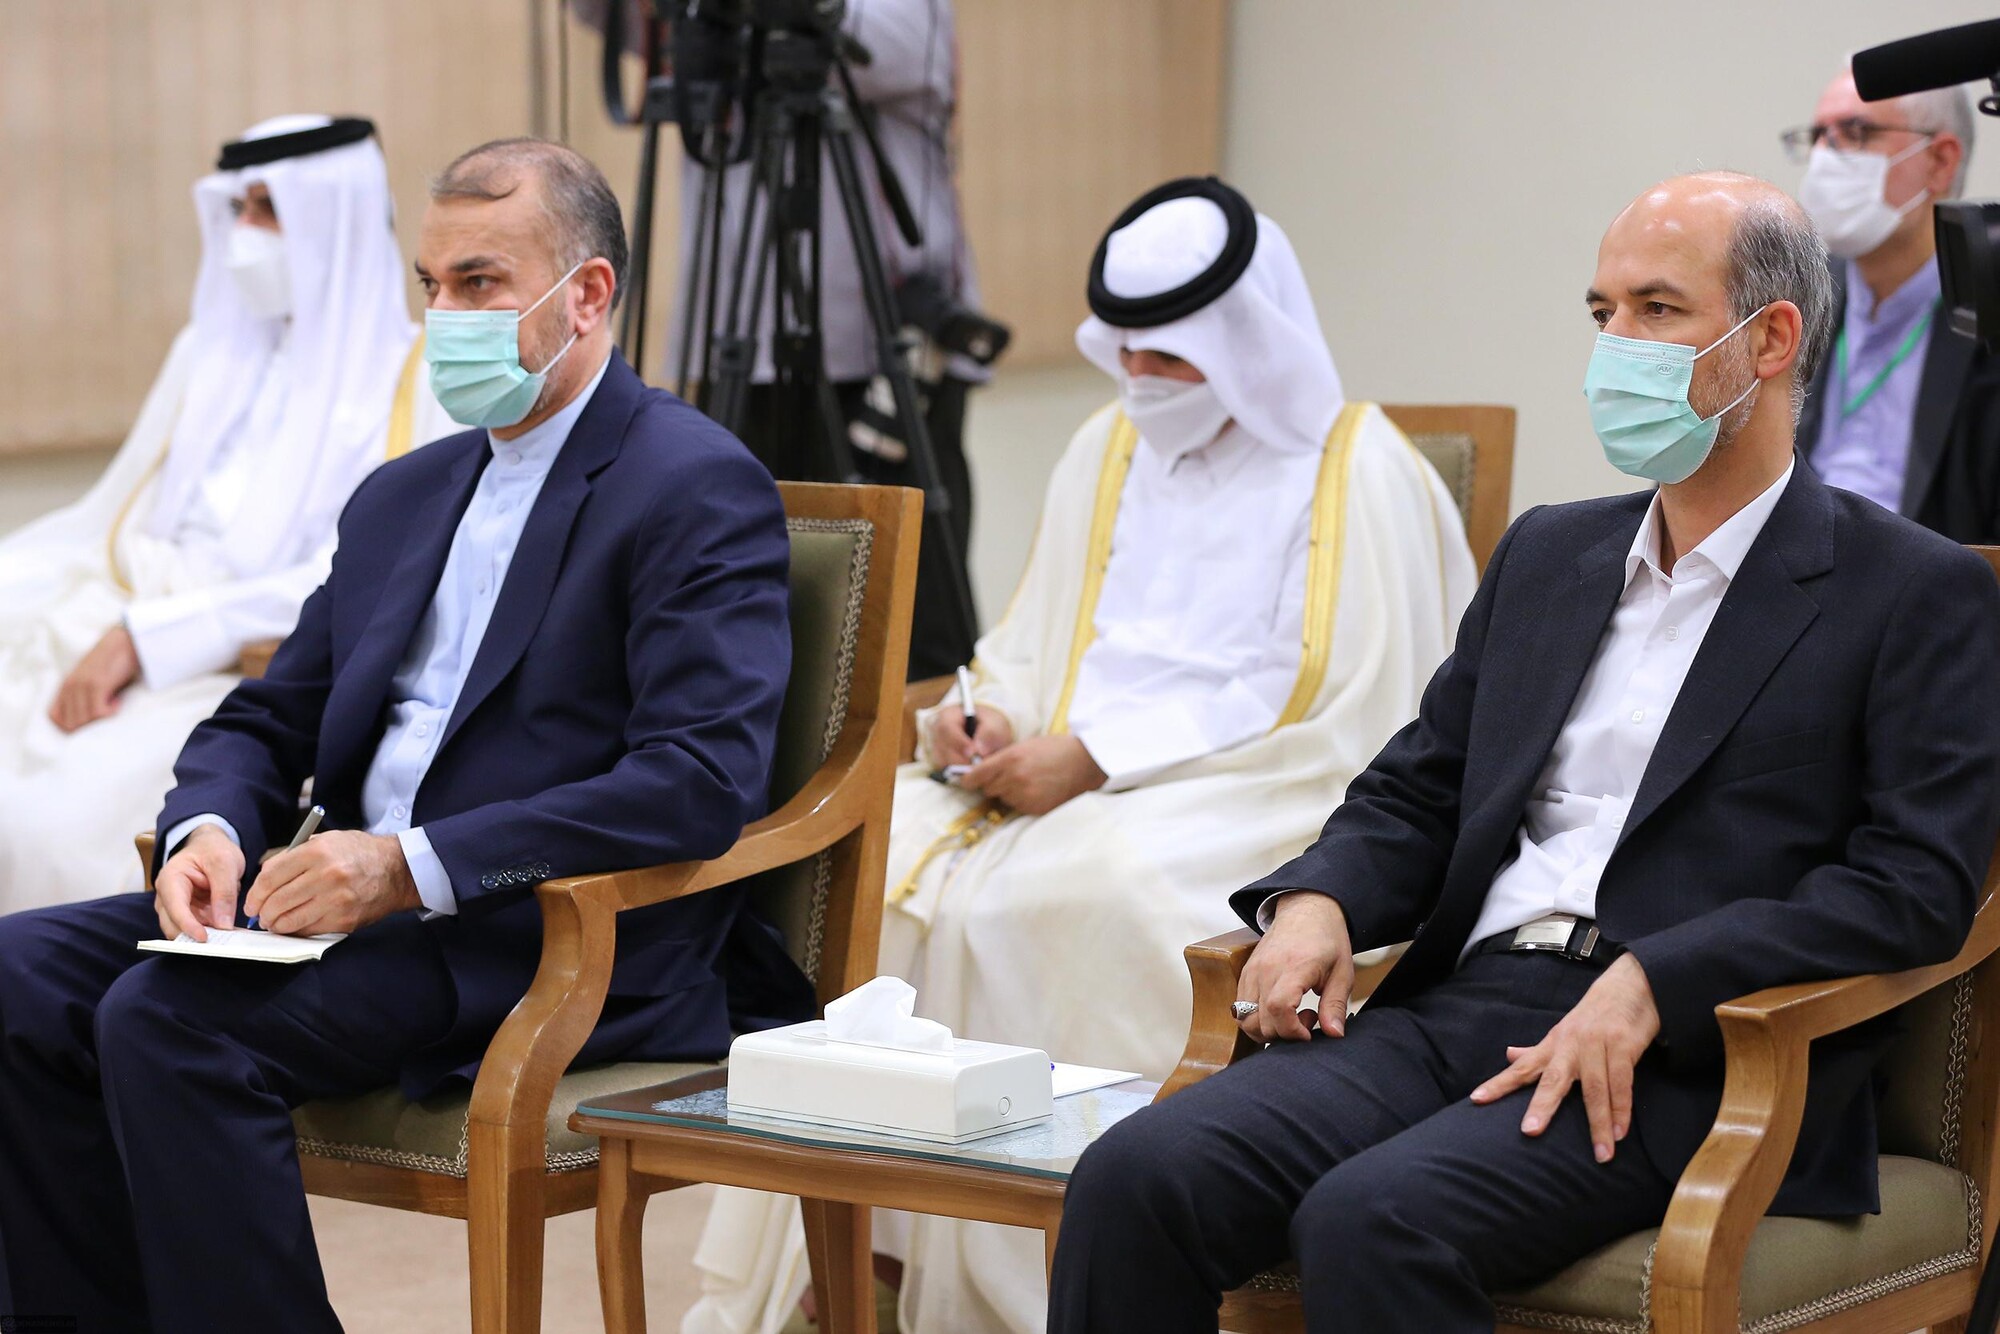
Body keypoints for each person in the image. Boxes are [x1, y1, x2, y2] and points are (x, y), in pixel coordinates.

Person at [1046, 172, 2000, 1334]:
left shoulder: (1908, 589)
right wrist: (1317, 900)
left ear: (1769, 340)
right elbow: (1421, 786)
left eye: (1656, 309)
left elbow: (1912, 885)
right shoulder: (1549, 554)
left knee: (1374, 1218)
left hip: (1692, 1054)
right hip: (1459, 1001)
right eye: (1602, 312)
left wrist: (1660, 977)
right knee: (1132, 1175)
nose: (1614, 346)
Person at [0, 137, 815, 1334]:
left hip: (535, 928)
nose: (446, 318)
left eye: (481, 283)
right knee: (17, 975)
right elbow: (266, 715)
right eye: (431, 285)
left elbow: (696, 781)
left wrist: (404, 865)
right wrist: (208, 830)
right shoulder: (403, 493)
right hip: (334, 911)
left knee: (166, 1022)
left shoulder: (692, 483)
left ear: (587, 294)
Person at [683, 177, 1477, 1334]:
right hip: (1065, 775)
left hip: (1259, 784)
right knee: (878, 864)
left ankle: (1034, 1286)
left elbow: (1358, 703)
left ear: (1244, 340)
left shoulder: (1359, 468)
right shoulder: (1106, 445)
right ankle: (866, 1259)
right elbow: (1033, 640)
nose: (1139, 380)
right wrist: (988, 716)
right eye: (1126, 354)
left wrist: (1102, 756)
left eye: (1170, 359)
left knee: (1081, 892)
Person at [0, 113, 454, 915]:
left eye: (268, 209)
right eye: (237, 208)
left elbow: (361, 583)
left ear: (331, 217)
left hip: (242, 669)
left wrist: (151, 636)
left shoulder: (415, 381)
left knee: (51, 824)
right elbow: (118, 520)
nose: (244, 233)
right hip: (119, 625)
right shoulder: (205, 352)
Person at [667, 0, 992, 680]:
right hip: (737, 333)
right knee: (740, 601)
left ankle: (929, 741)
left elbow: (901, 48)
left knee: (906, 618)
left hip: (886, 342)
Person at [1790, 67, 2000, 541]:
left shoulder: (1991, 320)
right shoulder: (1794, 296)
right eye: (1819, 136)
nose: (1825, 157)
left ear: (1940, 162)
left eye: (1856, 132)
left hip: (1928, 575)